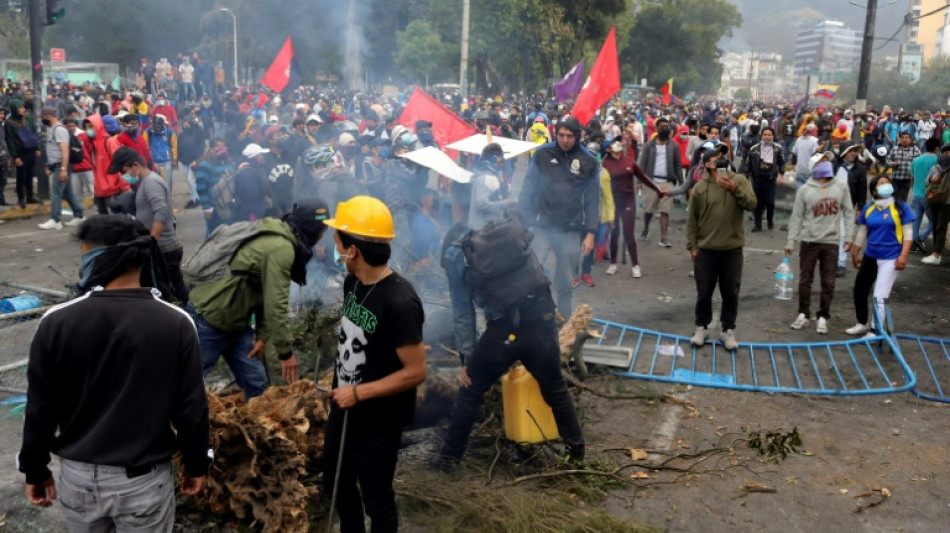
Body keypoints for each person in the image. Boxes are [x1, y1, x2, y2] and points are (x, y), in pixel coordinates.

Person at [18, 215, 210, 531]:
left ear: (93, 256)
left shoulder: (57, 321)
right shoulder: (174, 322)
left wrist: (34, 470)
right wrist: (197, 464)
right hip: (144, 483)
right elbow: (192, 409)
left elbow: (40, 408)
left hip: (79, 482)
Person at [431, 216, 585, 475]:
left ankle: (449, 459)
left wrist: (467, 359)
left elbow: (463, 312)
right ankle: (576, 454)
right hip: (543, 318)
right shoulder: (504, 237)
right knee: (555, 387)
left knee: (470, 389)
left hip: (505, 330)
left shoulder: (455, 255)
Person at [322, 195, 426, 533]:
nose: (334, 246)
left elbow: (415, 372)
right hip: (344, 407)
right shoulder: (354, 282)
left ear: (353, 250)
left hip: (379, 419)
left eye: (338, 240)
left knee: (377, 498)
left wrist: (359, 392)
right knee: (336, 484)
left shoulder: (400, 301)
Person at [187, 199, 329, 399]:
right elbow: (276, 306)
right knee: (187, 383)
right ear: (313, 228)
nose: (322, 236)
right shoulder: (282, 248)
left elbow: (263, 291)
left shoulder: (281, 234)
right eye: (322, 230)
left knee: (256, 386)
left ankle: (255, 428)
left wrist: (262, 337)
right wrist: (285, 354)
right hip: (210, 319)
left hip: (238, 322)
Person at [517, 116, 599, 316]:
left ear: (577, 136)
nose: (564, 140)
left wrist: (591, 232)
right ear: (556, 134)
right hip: (541, 226)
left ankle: (563, 326)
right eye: (561, 135)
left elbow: (592, 198)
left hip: (570, 229)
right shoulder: (543, 154)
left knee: (565, 284)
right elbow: (529, 188)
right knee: (530, 276)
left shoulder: (588, 160)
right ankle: (533, 319)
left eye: (569, 136)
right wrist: (520, 222)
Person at [686, 144, 757, 351]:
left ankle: (728, 331)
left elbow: (752, 204)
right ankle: (701, 328)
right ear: (708, 164)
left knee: (731, 293)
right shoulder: (700, 188)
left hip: (732, 250)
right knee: (703, 292)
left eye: (723, 156)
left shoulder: (739, 181)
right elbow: (692, 222)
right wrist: (693, 247)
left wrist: (734, 190)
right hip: (706, 251)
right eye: (717, 157)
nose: (722, 159)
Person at [108, 147, 190, 304]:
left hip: (164, 249)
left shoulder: (152, 182)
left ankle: (190, 317)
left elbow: (161, 212)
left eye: (124, 171)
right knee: (169, 288)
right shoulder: (145, 183)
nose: (123, 175)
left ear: (135, 165)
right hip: (160, 248)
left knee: (171, 289)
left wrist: (151, 242)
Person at [784, 161, 855, 334]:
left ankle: (823, 316)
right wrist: (790, 241)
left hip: (831, 242)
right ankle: (803, 314)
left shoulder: (841, 187)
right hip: (809, 241)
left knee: (828, 282)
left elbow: (849, 211)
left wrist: (849, 236)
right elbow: (797, 217)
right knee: (805, 280)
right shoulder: (805, 190)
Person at [847, 175, 914, 336]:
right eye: (881, 183)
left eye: (887, 183)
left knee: (880, 295)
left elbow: (908, 235)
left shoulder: (902, 208)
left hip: (891, 257)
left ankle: (875, 329)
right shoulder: (869, 208)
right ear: (874, 190)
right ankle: (862, 323)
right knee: (860, 290)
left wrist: (903, 256)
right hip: (870, 255)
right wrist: (855, 252)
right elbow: (862, 232)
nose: (885, 185)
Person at [602, 136, 666, 278]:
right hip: (612, 203)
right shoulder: (604, 164)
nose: (618, 144)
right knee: (614, 233)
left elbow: (643, 177)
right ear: (608, 148)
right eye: (614, 142)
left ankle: (635, 265)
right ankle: (613, 263)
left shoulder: (629, 161)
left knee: (629, 233)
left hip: (628, 201)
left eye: (618, 141)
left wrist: (657, 189)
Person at [35, 107, 84, 230]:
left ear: (48, 116)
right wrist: (49, 165)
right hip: (56, 165)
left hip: (61, 166)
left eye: (42, 118)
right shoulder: (52, 129)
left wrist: (63, 168)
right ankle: (79, 215)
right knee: (68, 193)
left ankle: (55, 220)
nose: (42, 120)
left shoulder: (59, 130)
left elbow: (65, 150)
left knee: (55, 193)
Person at [637, 117, 681, 247]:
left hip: (667, 183)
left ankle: (663, 237)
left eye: (667, 127)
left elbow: (677, 165)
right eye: (662, 127)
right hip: (651, 182)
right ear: (656, 129)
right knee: (649, 210)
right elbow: (642, 164)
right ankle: (645, 229)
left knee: (665, 211)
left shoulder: (674, 146)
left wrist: (683, 183)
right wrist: (639, 181)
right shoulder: (649, 145)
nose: (665, 129)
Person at [742, 126, 785, 232]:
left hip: (770, 180)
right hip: (757, 179)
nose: (767, 137)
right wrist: (746, 177)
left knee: (770, 202)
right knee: (757, 203)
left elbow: (781, 163)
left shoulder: (778, 149)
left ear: (773, 136)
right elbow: (748, 164)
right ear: (761, 136)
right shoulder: (754, 149)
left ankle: (770, 219)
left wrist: (782, 175)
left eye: (769, 135)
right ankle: (758, 224)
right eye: (765, 134)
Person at [468, 142, 515, 230]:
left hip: (487, 230)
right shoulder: (485, 178)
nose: (501, 164)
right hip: (481, 231)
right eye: (500, 160)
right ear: (495, 159)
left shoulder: (490, 177)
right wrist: (505, 203)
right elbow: (482, 204)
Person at [3, 99, 41, 207]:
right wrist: (15, 157)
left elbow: (33, 133)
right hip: (20, 153)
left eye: (23, 107)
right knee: (21, 176)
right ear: (14, 109)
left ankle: (30, 196)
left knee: (30, 174)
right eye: (20, 108)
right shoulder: (9, 123)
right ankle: (21, 198)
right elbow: (9, 140)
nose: (22, 110)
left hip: (31, 151)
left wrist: (37, 148)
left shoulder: (27, 118)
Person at [194, 139, 234, 235]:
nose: (220, 148)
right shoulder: (205, 165)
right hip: (213, 208)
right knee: (214, 235)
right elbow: (201, 188)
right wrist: (206, 208)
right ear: (211, 149)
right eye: (217, 146)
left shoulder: (232, 164)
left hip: (229, 208)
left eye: (223, 145)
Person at [920, 144, 950, 265]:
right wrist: (932, 180)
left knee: (941, 227)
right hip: (935, 199)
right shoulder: (935, 167)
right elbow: (926, 182)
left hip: (948, 202)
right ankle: (935, 252)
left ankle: (937, 254)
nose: (947, 155)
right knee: (935, 226)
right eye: (946, 153)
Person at [910, 138, 939, 254]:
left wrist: (914, 189)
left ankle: (913, 242)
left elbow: (912, 178)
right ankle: (921, 238)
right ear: (936, 148)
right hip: (929, 195)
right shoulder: (937, 160)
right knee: (935, 220)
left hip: (916, 194)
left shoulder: (916, 160)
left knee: (916, 220)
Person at [885, 131, 921, 202]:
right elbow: (887, 160)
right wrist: (892, 164)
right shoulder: (895, 149)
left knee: (903, 198)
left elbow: (920, 161)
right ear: (900, 139)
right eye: (902, 138)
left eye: (907, 138)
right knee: (894, 198)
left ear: (910, 140)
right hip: (896, 178)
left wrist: (915, 173)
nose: (904, 139)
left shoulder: (915, 149)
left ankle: (901, 212)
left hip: (907, 179)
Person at [68, 117, 95, 205]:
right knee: (76, 196)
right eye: (69, 126)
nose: (71, 128)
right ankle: (79, 216)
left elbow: (91, 151)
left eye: (73, 125)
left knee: (94, 193)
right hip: (74, 171)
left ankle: (99, 212)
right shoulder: (66, 139)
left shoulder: (83, 136)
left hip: (87, 169)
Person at [792, 123, 820, 189]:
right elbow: (815, 155)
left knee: (799, 191)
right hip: (810, 170)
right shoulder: (815, 141)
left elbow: (794, 153)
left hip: (800, 169)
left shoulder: (799, 139)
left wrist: (793, 164)